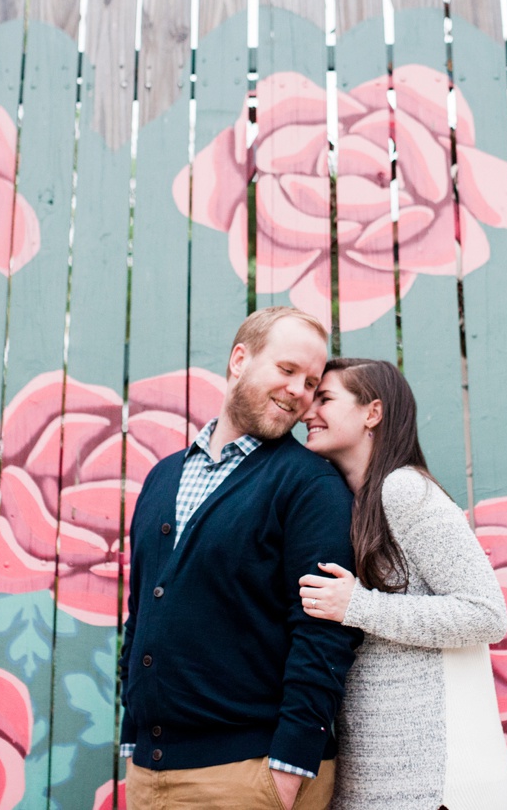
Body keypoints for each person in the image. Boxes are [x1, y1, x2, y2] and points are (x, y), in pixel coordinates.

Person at [120, 307, 363, 810]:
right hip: (149, 772)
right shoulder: (162, 478)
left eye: (312, 382)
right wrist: (132, 737)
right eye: (287, 370)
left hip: (250, 775)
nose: (299, 390)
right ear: (239, 360)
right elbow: (140, 612)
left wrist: (290, 769)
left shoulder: (309, 485)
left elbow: (324, 632)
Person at [298, 357, 507, 810]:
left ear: (371, 413)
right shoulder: (351, 503)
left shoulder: (404, 490)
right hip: (377, 780)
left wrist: (359, 607)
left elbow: (487, 614)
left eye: (325, 398)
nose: (306, 412)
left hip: (435, 783)